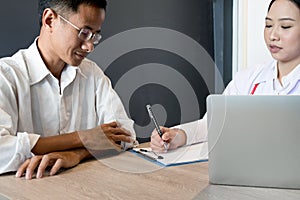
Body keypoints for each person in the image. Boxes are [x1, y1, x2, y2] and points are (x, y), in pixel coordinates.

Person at [0, 0, 137, 179]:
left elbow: (125, 136)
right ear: (50, 20)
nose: (90, 46)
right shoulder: (6, 76)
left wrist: (76, 154)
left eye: (95, 36)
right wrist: (82, 138)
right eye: (84, 32)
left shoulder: (92, 74)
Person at [151, 0, 300, 152]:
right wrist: (178, 135)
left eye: (285, 26)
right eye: (268, 25)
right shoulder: (249, 78)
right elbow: (215, 123)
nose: (273, 35)